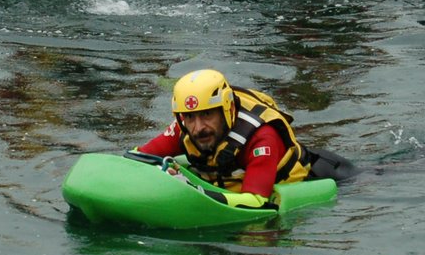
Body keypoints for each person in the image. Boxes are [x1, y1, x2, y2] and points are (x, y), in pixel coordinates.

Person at [133, 69, 315, 205]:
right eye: (190, 117)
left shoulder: (262, 137)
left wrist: (192, 191)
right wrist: (159, 174)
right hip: (223, 184)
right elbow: (137, 158)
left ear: (226, 110)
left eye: (207, 114)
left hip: (290, 186)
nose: (198, 128)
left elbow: (255, 202)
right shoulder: (185, 126)